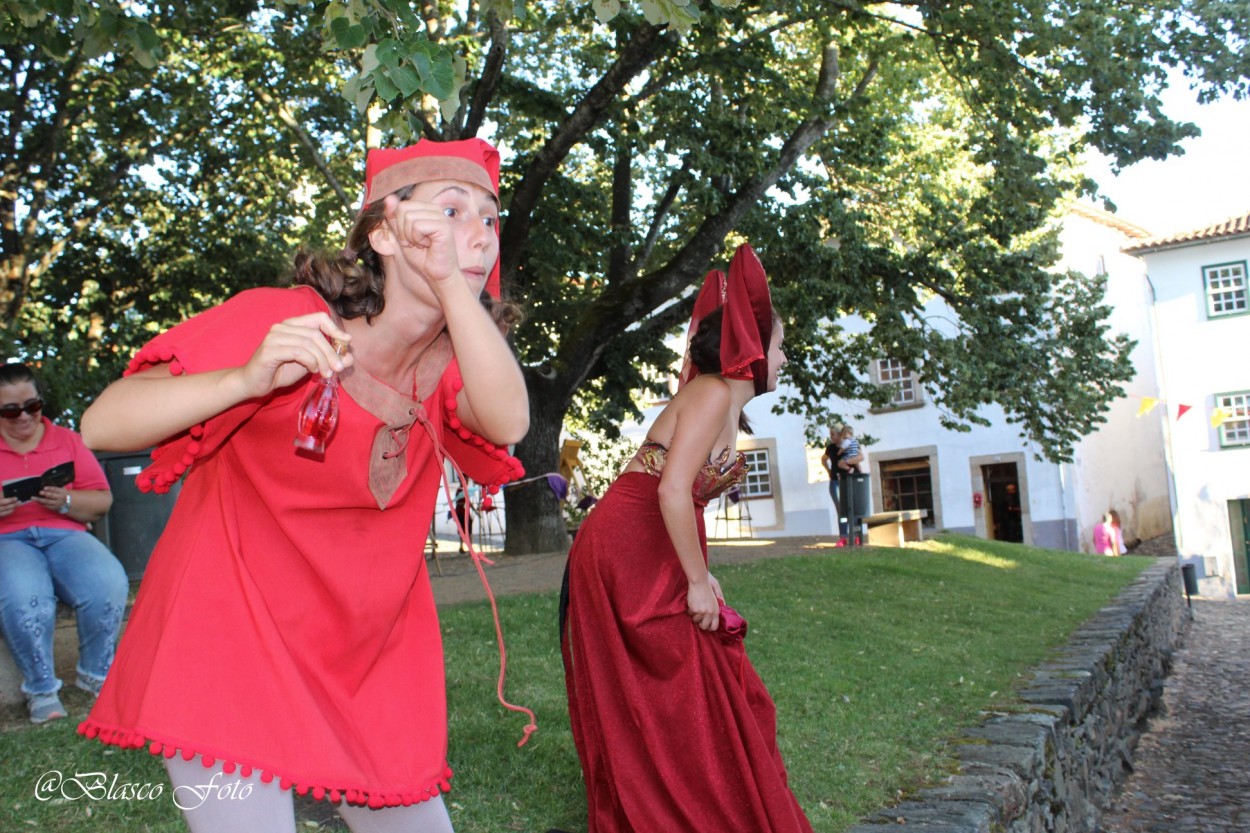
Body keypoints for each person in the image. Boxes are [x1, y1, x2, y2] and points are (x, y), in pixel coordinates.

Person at [76, 139, 529, 833]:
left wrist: (451, 289)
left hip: (366, 658)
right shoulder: (284, 320)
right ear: (383, 230)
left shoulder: (460, 363)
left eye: (490, 218)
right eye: (451, 209)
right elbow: (103, 422)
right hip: (232, 635)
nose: (478, 233)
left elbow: (508, 421)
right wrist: (245, 380)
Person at [560, 244, 814, 833]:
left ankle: (709, 803)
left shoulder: (727, 404)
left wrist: (701, 570)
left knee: (717, 678)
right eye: (778, 344)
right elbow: (671, 490)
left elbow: (686, 501)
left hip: (654, 544)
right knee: (681, 673)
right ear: (752, 347)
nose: (784, 356)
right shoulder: (712, 393)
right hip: (624, 543)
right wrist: (695, 582)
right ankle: (681, 808)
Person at [0, 363, 129, 724]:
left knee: (108, 581)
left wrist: (67, 502)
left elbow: (102, 501)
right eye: (10, 410)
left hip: (65, 532)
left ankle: (96, 675)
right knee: (26, 597)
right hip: (7, 539)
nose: (23, 416)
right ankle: (41, 690)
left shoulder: (67, 440)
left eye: (32, 406)